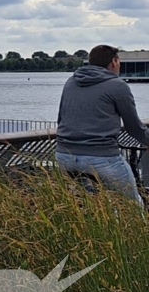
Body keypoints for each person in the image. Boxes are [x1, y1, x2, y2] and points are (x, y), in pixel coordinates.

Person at [56, 44, 149, 204]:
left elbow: (61, 119)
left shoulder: (71, 82)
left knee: (95, 205)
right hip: (101, 158)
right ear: (113, 62)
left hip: (65, 156)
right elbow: (133, 127)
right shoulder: (117, 85)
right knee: (132, 205)